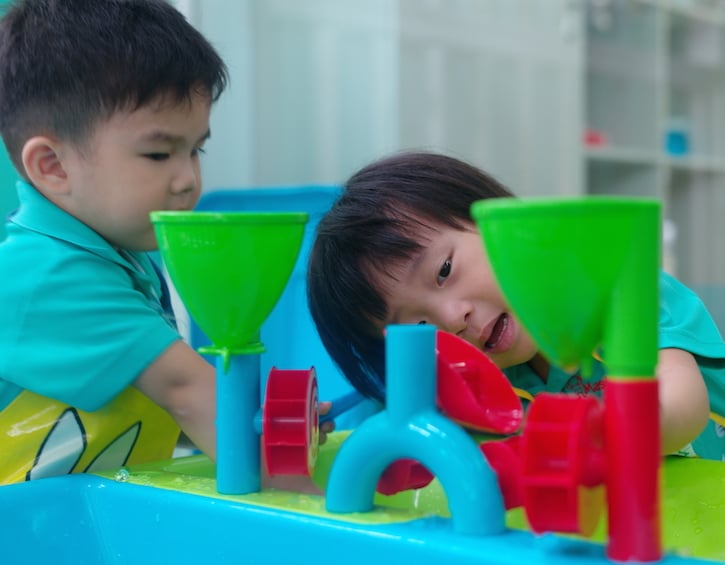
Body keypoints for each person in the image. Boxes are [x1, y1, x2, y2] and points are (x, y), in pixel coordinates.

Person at [0, 0, 330, 489]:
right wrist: (328, 514)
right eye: (158, 153)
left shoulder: (118, 253)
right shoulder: (48, 274)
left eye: (196, 149)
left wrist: (274, 427)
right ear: (53, 166)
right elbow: (188, 392)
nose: (187, 180)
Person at [307, 150, 725, 461]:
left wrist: (593, 436)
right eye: (418, 325)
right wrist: (316, 433)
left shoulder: (615, 289)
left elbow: (682, 404)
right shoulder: (466, 384)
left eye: (444, 270)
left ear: (498, 222)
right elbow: (386, 429)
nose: (453, 319)